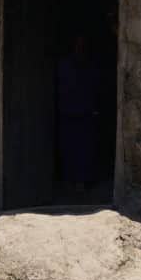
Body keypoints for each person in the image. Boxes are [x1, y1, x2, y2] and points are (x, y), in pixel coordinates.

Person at [56, 33, 102, 193]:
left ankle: (82, 183)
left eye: (84, 45)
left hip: (87, 115)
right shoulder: (64, 66)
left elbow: (97, 89)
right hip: (68, 114)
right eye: (78, 45)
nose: (81, 49)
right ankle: (70, 182)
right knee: (68, 150)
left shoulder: (92, 67)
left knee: (85, 151)